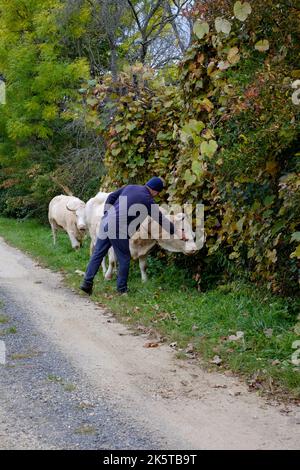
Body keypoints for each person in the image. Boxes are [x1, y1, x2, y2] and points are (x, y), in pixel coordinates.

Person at [80, 177, 187, 295]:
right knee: (124, 258)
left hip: (105, 221)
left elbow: (111, 197)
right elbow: (161, 219)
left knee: (98, 253)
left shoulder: (130, 187)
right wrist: (177, 232)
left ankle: (86, 283)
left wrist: (107, 213)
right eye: (157, 193)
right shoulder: (148, 200)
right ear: (156, 191)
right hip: (118, 228)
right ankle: (122, 290)